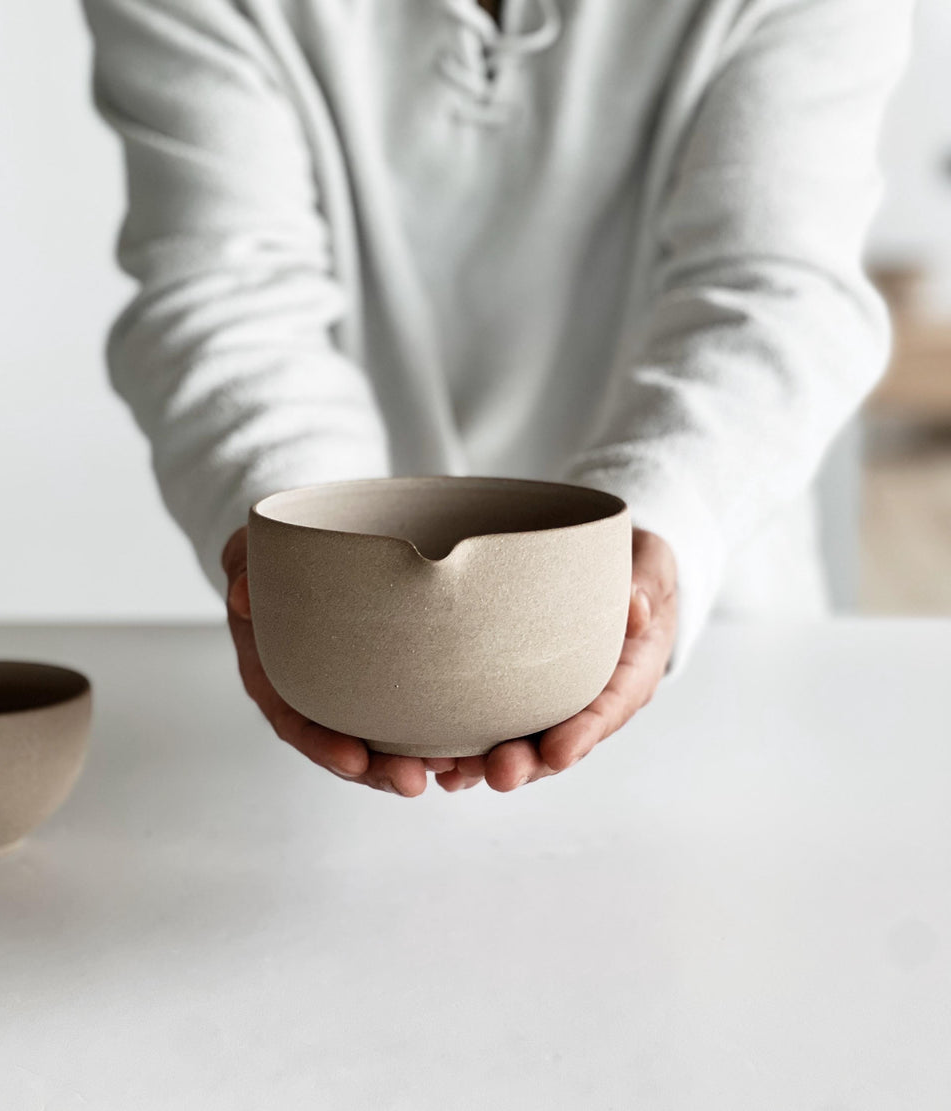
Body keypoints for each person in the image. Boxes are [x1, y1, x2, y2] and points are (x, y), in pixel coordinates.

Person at [82, 0, 913, 797]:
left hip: (712, 648)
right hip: (332, 698)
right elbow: (230, 291)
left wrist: (659, 523)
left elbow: (774, 285)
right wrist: (308, 563)